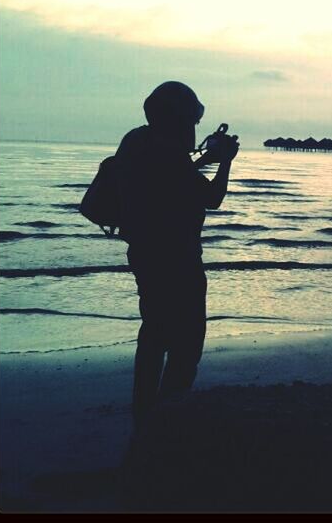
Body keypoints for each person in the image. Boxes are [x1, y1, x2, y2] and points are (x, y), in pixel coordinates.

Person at [114, 81, 239, 429]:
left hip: (143, 254)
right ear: (177, 119)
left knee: (154, 334)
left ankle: (145, 411)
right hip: (179, 260)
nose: (194, 128)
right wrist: (225, 163)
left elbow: (170, 182)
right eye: (191, 121)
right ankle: (166, 415)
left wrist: (203, 159)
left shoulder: (137, 142)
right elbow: (211, 197)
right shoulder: (168, 155)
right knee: (187, 344)